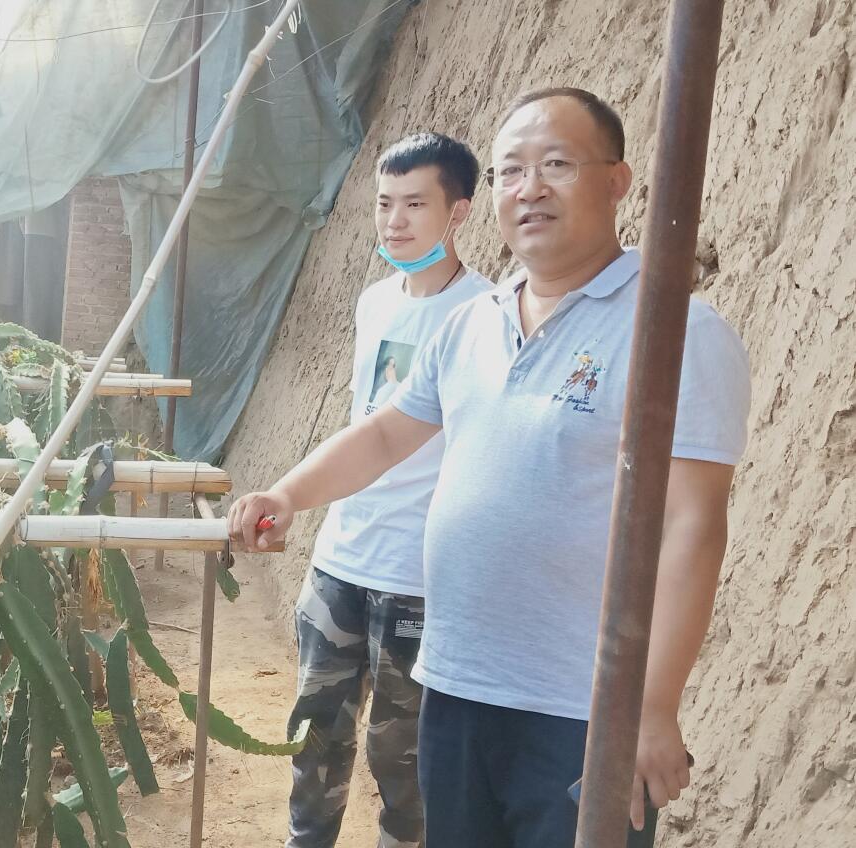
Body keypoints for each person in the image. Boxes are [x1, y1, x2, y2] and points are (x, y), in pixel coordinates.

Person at [230, 88, 750, 848]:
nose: (529, 188)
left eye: (556, 165)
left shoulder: (677, 332)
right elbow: (385, 435)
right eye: (510, 171)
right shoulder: (471, 322)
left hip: (583, 711)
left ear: (616, 182)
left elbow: (693, 525)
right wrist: (287, 493)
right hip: (455, 686)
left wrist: (653, 706)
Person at [281, 132, 494, 848]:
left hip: (420, 579)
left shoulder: (486, 314)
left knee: (403, 761)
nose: (394, 221)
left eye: (414, 204)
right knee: (313, 740)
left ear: (458, 211)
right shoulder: (374, 302)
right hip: (340, 560)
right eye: (383, 203)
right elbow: (367, 428)